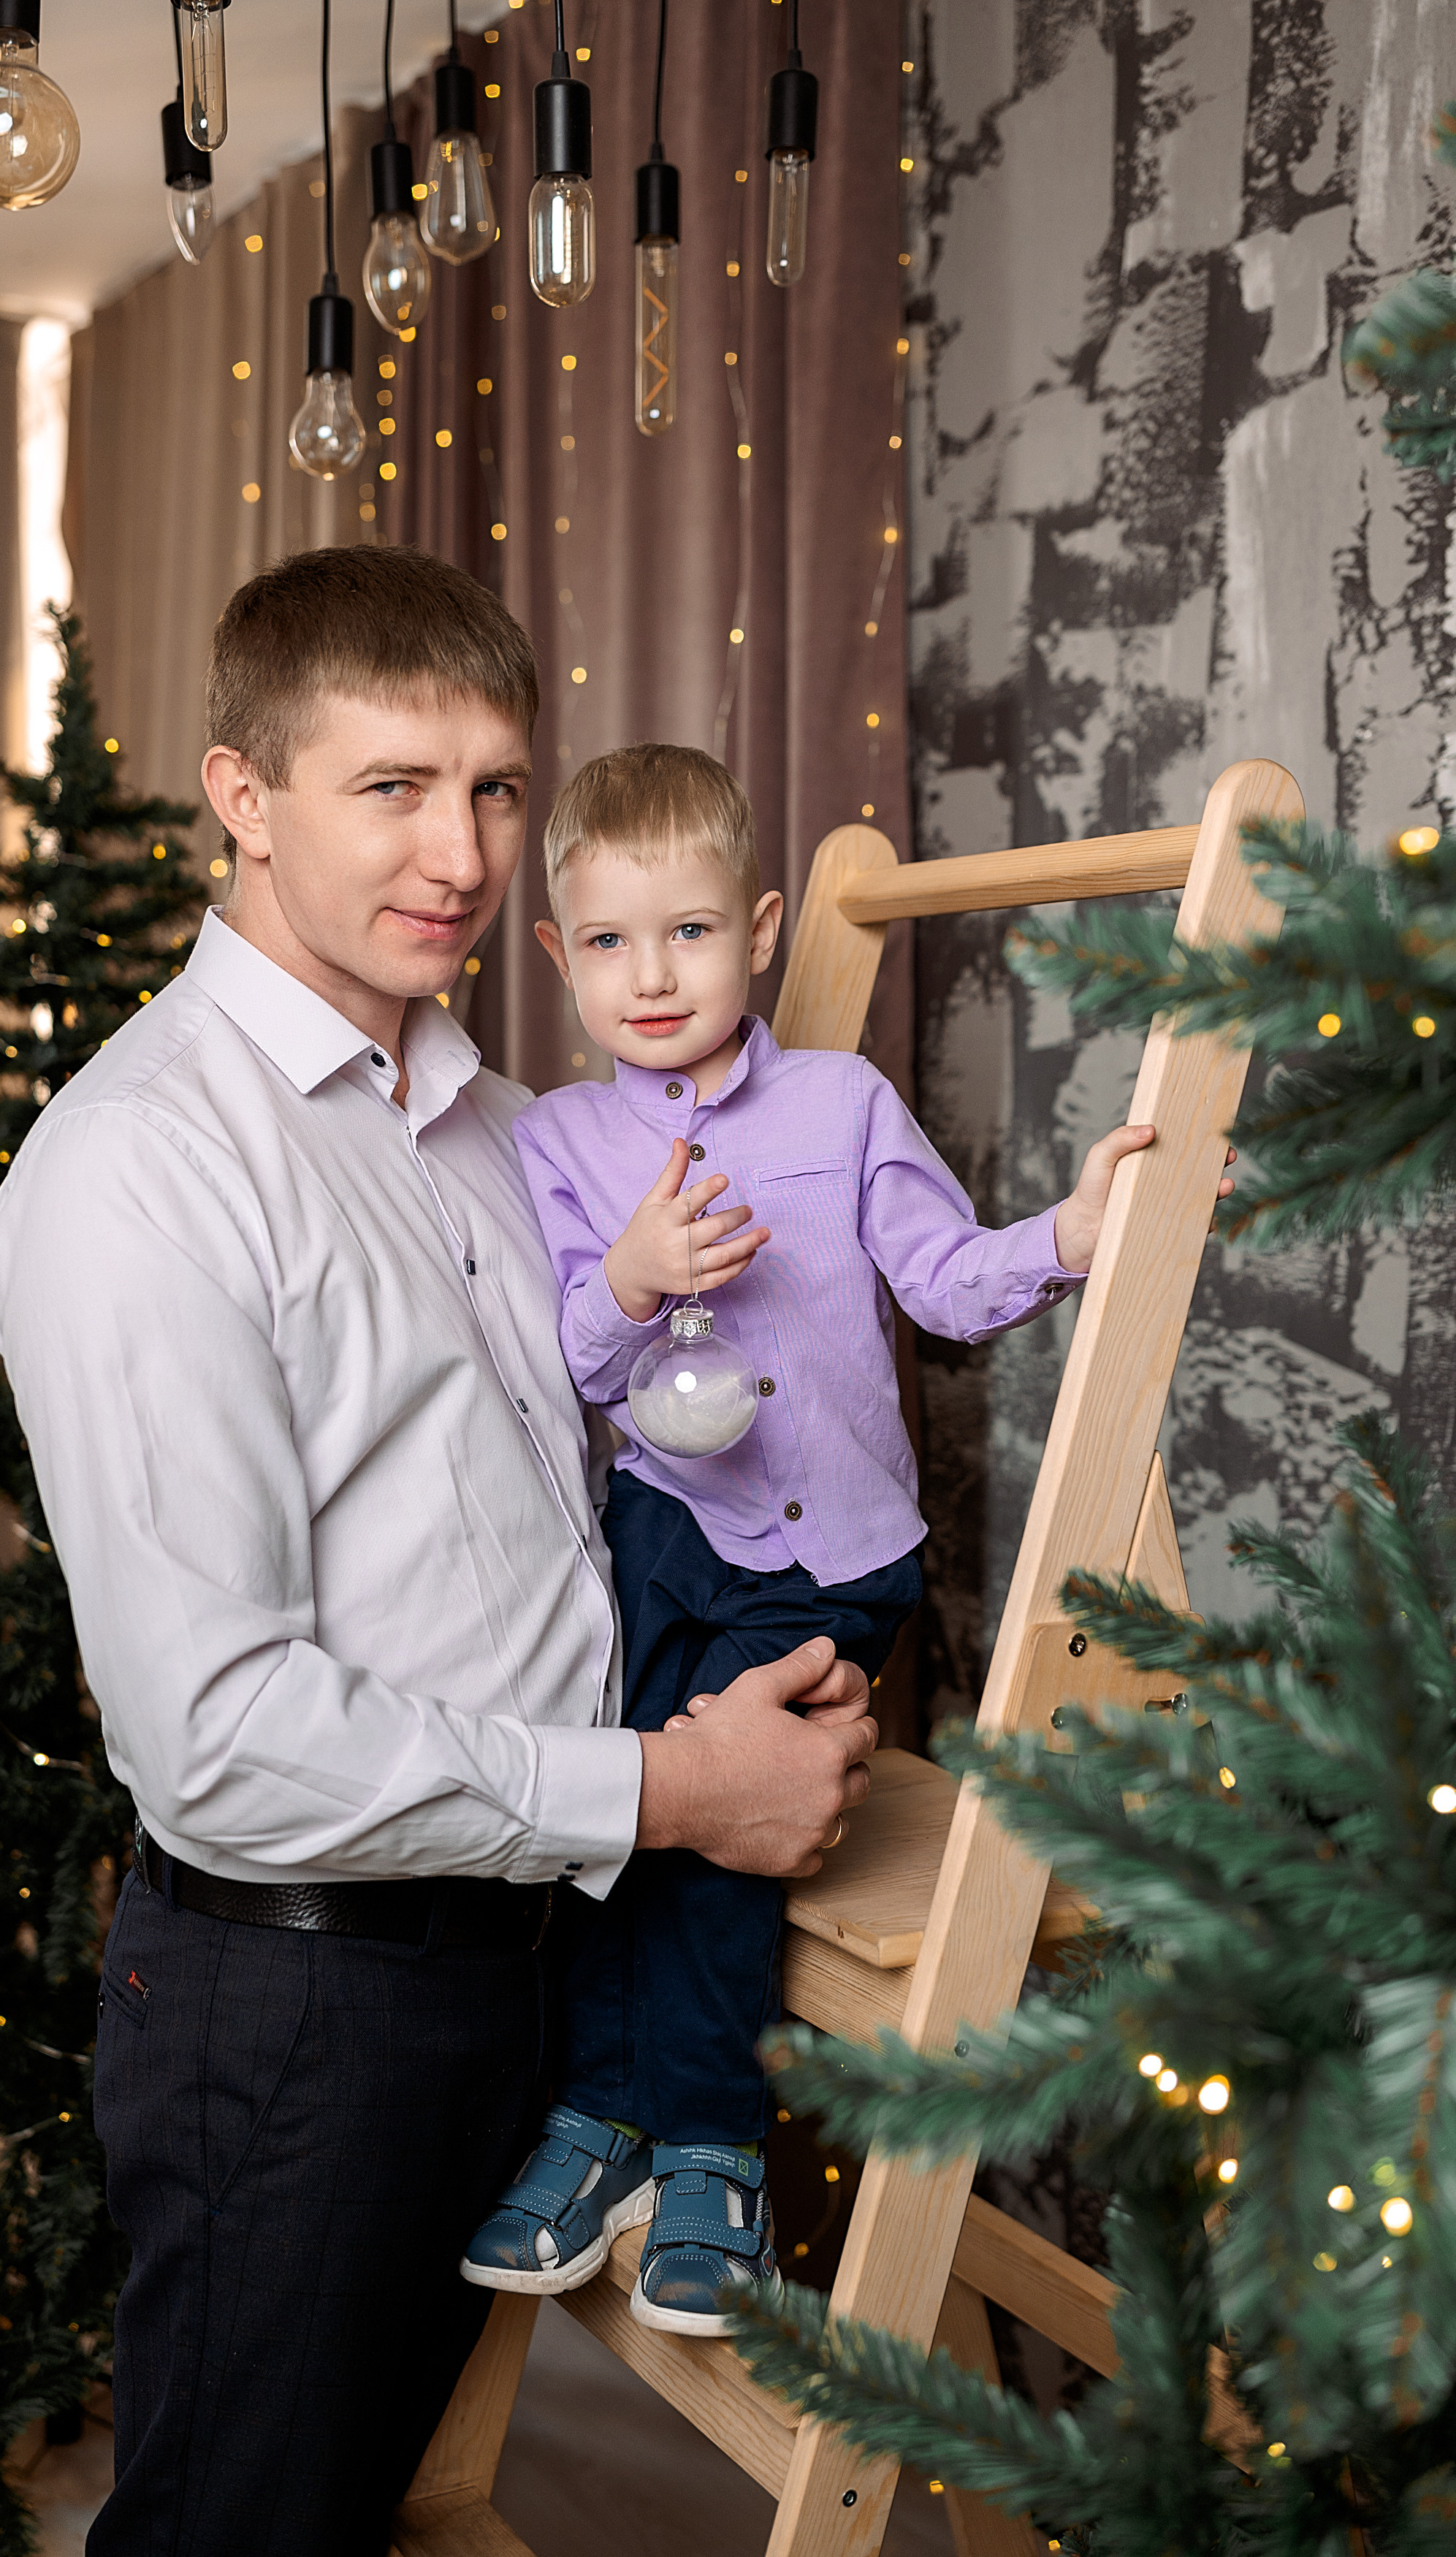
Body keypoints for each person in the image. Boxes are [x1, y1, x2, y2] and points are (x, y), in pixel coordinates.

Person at [0, 553, 880, 2557]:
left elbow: (579, 1502)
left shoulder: (495, 1122)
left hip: (520, 1966)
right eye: (389, 786)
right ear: (243, 791)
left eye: (490, 788)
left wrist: (764, 1640)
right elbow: (212, 1732)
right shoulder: (143, 1166)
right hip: (300, 2011)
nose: (458, 852)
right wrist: (673, 1788)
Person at [461, 742, 1231, 2336]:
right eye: (608, 941)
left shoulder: (837, 1100)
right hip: (664, 1528)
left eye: (686, 932)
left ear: (755, 930)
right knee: (621, 1812)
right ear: (557, 959)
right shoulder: (552, 1147)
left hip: (827, 1558)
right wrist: (628, 1274)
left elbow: (942, 1282)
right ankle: (599, 2113)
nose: (650, 973)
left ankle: (710, 2153)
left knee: (728, 1827)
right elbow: (550, 1363)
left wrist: (1069, 1239)